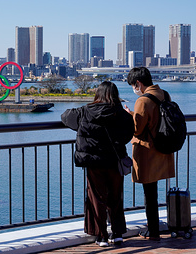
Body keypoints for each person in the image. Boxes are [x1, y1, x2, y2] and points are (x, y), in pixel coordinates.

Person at [61, 81, 134, 247]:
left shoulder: (86, 111)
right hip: (115, 161)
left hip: (94, 162)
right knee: (115, 197)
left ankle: (100, 236)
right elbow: (129, 134)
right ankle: (117, 233)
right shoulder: (122, 115)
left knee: (96, 197)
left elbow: (65, 116)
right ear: (116, 95)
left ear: (97, 94)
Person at [124, 67, 175, 241]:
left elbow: (137, 130)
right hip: (163, 148)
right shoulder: (165, 95)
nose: (134, 88)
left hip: (148, 151)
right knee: (154, 192)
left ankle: (153, 231)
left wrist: (130, 116)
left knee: (149, 194)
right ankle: (154, 228)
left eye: (133, 84)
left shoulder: (142, 101)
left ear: (138, 83)